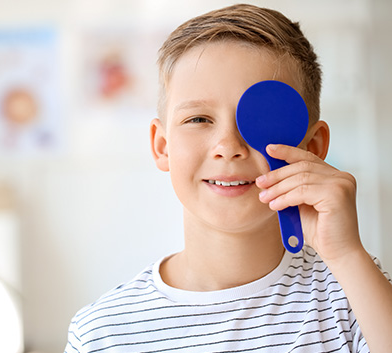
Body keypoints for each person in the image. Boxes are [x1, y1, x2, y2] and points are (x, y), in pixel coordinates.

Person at [65, 4, 392, 352]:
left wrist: (346, 254)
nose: (228, 147)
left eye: (261, 119)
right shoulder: (103, 332)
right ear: (162, 146)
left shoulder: (356, 296)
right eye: (199, 119)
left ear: (311, 147)